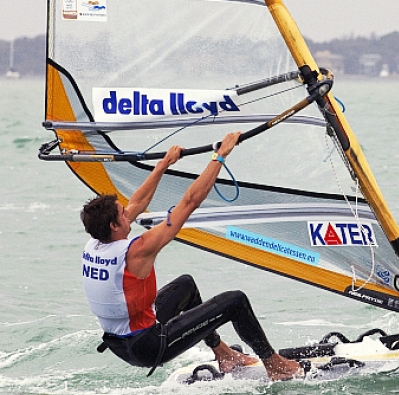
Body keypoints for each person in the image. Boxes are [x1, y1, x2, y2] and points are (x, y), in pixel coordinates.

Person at [80, 132, 302, 381]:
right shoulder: (137, 250)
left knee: (185, 285)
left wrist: (164, 164)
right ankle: (275, 365)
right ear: (113, 225)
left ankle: (223, 353)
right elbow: (190, 201)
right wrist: (220, 156)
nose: (127, 212)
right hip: (149, 346)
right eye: (122, 214)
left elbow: (138, 202)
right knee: (235, 301)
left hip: (121, 344)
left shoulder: (95, 242)